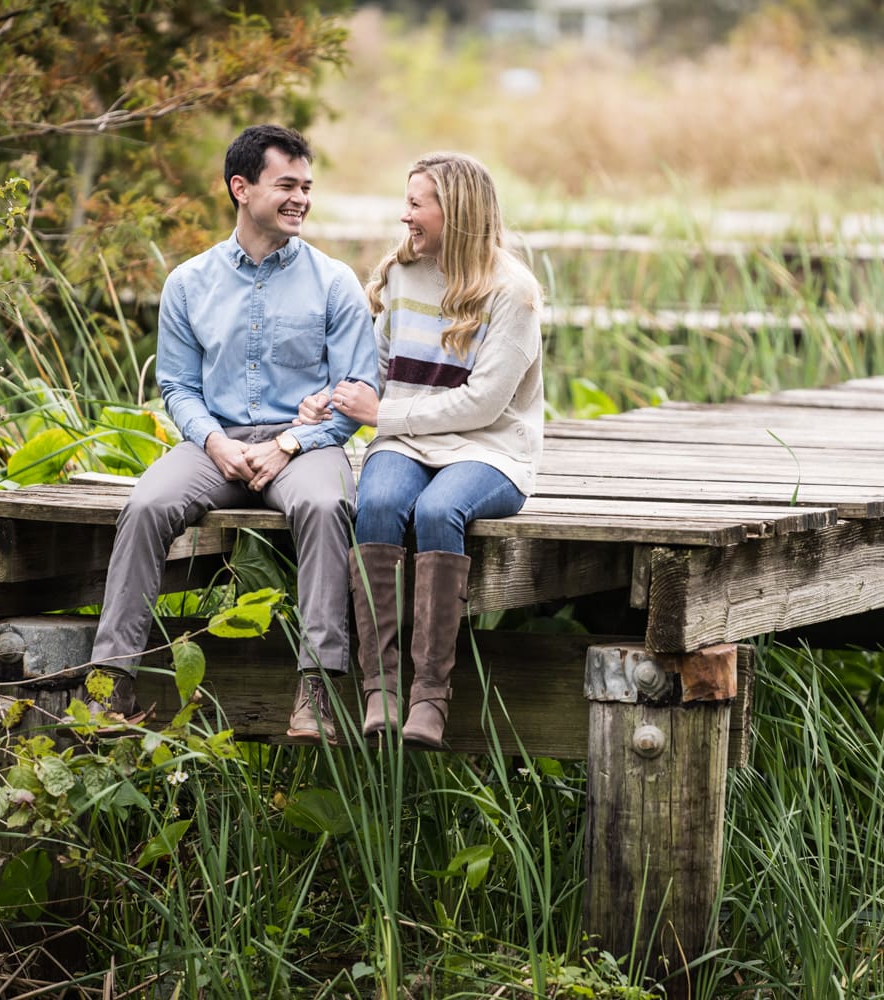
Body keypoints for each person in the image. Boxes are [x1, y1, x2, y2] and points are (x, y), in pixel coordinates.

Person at [89, 124, 378, 743]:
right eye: (287, 185)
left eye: (307, 186)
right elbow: (177, 388)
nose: (301, 198)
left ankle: (319, 689)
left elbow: (357, 395)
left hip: (306, 446)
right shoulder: (189, 283)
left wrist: (289, 443)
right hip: (214, 444)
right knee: (145, 504)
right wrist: (216, 442)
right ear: (240, 188)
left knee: (329, 505)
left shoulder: (335, 282)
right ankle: (111, 681)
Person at [299, 152, 543, 748]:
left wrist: (381, 413)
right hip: (404, 441)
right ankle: (380, 688)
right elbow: (377, 370)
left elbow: (483, 405)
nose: (404, 215)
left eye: (416, 204)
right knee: (378, 505)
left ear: (453, 212)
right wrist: (329, 401)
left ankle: (430, 695)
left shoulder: (512, 292)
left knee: (438, 512)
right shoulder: (404, 274)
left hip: (489, 450)